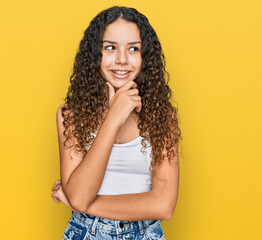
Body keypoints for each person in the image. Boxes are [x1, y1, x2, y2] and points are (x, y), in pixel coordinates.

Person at [51, 6, 182, 240]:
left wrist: (81, 204)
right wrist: (113, 118)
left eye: (133, 49)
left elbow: (163, 206)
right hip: (85, 233)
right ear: (95, 55)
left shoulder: (163, 116)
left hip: (146, 234)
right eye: (110, 47)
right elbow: (79, 196)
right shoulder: (70, 115)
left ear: (145, 57)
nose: (122, 60)